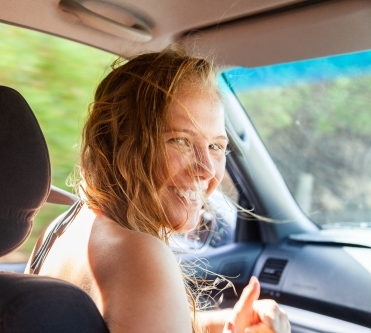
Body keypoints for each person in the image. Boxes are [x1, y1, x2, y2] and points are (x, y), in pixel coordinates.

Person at [25, 46, 290, 333]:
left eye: (215, 146)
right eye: (180, 141)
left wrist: (223, 325)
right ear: (118, 144)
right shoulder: (139, 255)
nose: (207, 169)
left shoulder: (59, 230)